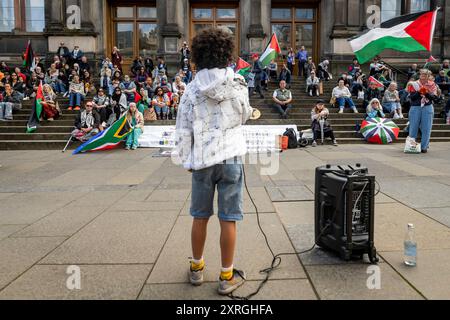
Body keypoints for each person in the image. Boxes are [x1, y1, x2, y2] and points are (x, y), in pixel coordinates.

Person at [175, 28, 253, 296]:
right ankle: (226, 275)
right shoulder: (238, 83)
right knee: (228, 218)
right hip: (231, 157)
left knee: (200, 215)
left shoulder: (191, 89)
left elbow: (183, 128)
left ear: (199, 54)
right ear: (226, 54)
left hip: (203, 159)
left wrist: (186, 158)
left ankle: (196, 269)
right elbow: (243, 116)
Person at [408, 69, 439, 153]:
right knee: (413, 127)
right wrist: (419, 92)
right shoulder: (414, 84)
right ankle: (411, 146)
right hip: (415, 107)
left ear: (428, 76)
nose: (423, 75)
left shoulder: (433, 85)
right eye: (422, 74)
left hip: (427, 107)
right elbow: (412, 98)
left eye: (425, 74)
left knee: (426, 128)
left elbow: (434, 98)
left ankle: (424, 147)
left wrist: (426, 93)